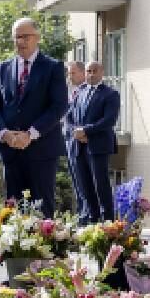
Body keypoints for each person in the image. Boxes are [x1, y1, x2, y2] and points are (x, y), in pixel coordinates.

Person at [0, 17, 69, 218]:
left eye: (25, 37)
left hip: (41, 151)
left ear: (37, 37)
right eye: (17, 37)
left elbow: (59, 106)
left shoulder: (52, 67)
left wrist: (30, 134)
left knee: (41, 212)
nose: (20, 41)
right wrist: (4, 134)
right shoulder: (3, 68)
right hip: (11, 151)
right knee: (13, 212)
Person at [69, 61, 120, 223]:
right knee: (85, 185)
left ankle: (108, 221)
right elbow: (69, 117)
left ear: (102, 72)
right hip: (79, 146)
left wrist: (86, 131)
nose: (91, 74)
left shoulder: (111, 94)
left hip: (98, 146)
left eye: (94, 71)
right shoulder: (80, 92)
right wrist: (76, 132)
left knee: (101, 184)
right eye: (88, 71)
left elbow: (109, 120)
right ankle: (93, 219)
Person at [63, 61, 88, 220]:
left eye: (73, 73)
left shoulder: (87, 92)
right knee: (76, 185)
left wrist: (81, 132)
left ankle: (86, 217)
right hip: (70, 142)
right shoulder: (72, 92)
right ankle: (81, 216)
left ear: (83, 73)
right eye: (68, 73)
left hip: (81, 144)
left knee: (84, 184)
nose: (69, 77)